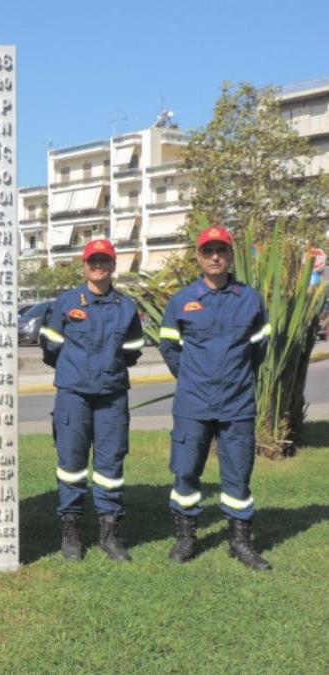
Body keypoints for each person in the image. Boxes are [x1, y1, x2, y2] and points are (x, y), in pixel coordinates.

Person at [159, 226, 272, 571]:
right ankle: (186, 537)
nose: (214, 256)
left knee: (238, 474)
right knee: (186, 471)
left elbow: (259, 349)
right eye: (208, 251)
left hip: (237, 404)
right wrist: (193, 376)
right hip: (193, 403)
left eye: (220, 250)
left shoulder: (250, 299)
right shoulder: (182, 300)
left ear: (230, 255)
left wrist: (233, 379)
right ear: (199, 256)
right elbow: (168, 346)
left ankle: (239, 542)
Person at [39, 239, 145, 561]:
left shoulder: (126, 307)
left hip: (112, 397)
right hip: (73, 395)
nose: (98, 266)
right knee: (71, 465)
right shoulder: (66, 302)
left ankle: (110, 534)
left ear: (113, 266)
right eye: (92, 261)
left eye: (104, 260)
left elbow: (132, 350)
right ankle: (71, 533)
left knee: (110, 465)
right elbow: (50, 346)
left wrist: (105, 371)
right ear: (84, 266)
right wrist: (77, 372)